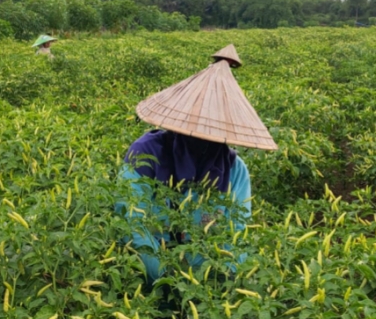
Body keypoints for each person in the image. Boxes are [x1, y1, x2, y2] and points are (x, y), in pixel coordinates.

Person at [115, 44, 278, 285]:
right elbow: (131, 223)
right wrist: (167, 279)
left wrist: (221, 276)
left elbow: (235, 234)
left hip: (204, 282)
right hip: (145, 279)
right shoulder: (146, 154)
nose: (202, 141)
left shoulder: (235, 170)